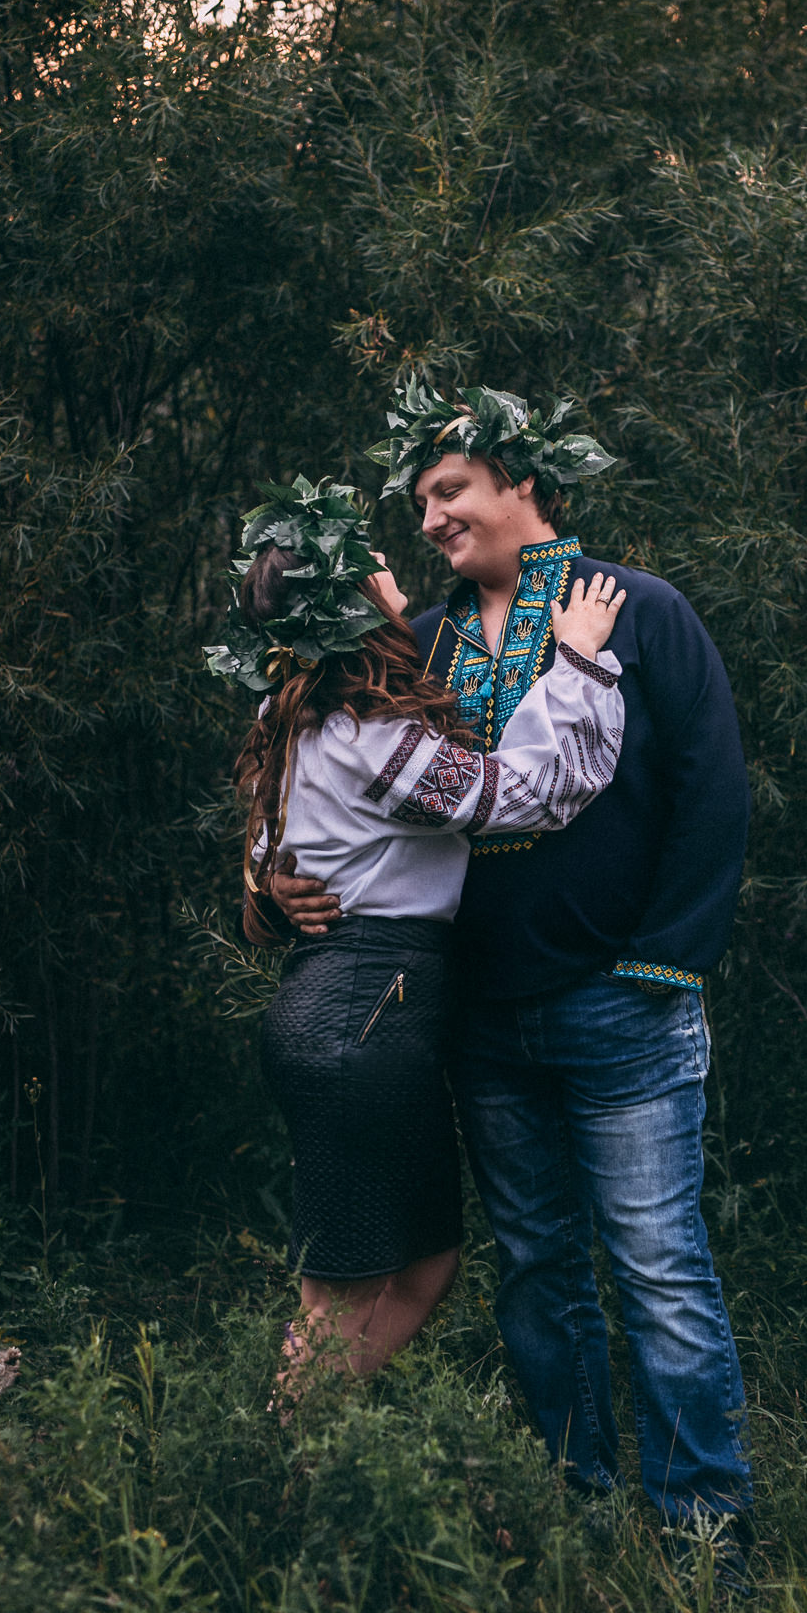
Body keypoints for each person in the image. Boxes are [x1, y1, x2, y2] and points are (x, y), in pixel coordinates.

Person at [272, 385, 754, 1576]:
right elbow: (320, 770)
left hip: (623, 1001)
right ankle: (580, 1513)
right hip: (481, 1019)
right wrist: (270, 881)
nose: (433, 516)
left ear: (523, 483)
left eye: (453, 490)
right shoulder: (421, 648)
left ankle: (705, 1530)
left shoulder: (638, 611)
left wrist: (663, 957)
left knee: (660, 1267)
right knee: (540, 1274)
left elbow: (712, 787)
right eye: (422, 500)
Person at [204, 474, 626, 1393]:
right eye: (375, 574)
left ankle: (309, 1446)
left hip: (352, 1010)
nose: (397, 578)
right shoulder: (366, 728)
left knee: (425, 1267)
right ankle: (284, 1468)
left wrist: (270, 884)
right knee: (337, 1295)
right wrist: (581, 663)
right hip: (362, 1014)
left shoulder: (292, 710)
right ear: (349, 608)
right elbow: (515, 795)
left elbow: (275, 849)